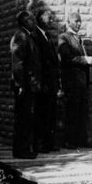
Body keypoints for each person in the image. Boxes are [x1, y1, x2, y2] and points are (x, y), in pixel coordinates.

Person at [58, 12, 92, 149]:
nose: (79, 24)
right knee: (72, 112)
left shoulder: (79, 38)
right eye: (76, 21)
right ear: (68, 22)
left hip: (82, 82)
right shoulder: (64, 38)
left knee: (82, 112)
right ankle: (70, 141)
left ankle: (81, 140)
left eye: (80, 21)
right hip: (72, 82)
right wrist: (87, 60)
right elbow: (67, 58)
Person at [10, 11, 41, 159]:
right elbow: (18, 62)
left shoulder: (27, 35)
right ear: (24, 21)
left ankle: (24, 149)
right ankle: (21, 150)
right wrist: (20, 84)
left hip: (29, 84)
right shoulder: (21, 36)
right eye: (31, 19)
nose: (34, 21)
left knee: (27, 117)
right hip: (24, 85)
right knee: (23, 118)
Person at [31, 8, 60, 153]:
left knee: (50, 113)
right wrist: (40, 82)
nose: (52, 21)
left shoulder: (46, 35)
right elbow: (37, 61)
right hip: (43, 82)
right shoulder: (35, 35)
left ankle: (48, 143)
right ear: (41, 18)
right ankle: (40, 144)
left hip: (51, 82)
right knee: (41, 114)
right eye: (49, 18)